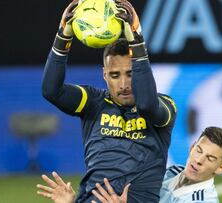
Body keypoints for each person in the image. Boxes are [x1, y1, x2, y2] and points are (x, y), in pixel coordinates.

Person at [39, 0, 177, 202]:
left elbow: (147, 105)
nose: (123, 84)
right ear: (104, 75)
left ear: (141, 71)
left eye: (130, 74)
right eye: (114, 75)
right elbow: (51, 91)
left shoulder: (165, 106)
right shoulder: (93, 102)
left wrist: (137, 41)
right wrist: (63, 36)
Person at [37, 127, 222, 203]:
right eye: (199, 150)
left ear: (221, 167)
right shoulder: (172, 172)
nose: (199, 160)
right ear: (192, 146)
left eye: (211, 159)